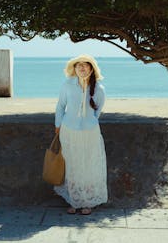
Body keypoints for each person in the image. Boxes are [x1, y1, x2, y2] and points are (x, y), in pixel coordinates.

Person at [53, 54, 108, 215]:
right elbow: (60, 107)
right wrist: (58, 125)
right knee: (72, 166)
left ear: (91, 69)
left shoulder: (99, 89)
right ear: (74, 68)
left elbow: (98, 111)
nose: (82, 68)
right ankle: (74, 201)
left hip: (90, 133)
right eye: (79, 65)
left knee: (89, 166)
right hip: (68, 131)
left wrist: (89, 122)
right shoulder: (67, 85)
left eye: (86, 65)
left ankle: (87, 202)